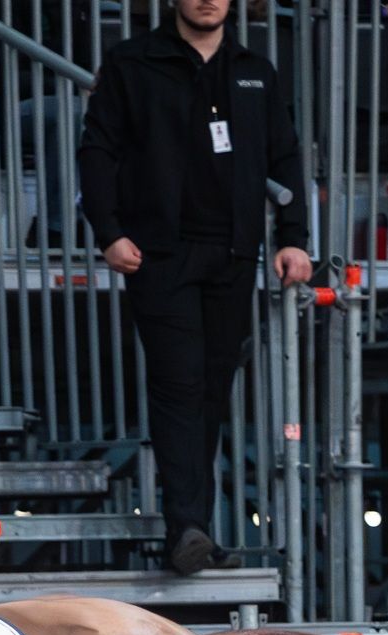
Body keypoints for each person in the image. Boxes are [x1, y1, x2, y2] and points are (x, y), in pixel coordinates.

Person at [79, 0, 311, 576]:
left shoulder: (255, 68)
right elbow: (98, 151)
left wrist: (293, 237)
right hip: (159, 254)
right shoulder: (133, 62)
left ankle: (194, 526)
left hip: (234, 252)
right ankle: (187, 526)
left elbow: (284, 155)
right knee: (180, 384)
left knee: (210, 387)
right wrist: (108, 232)